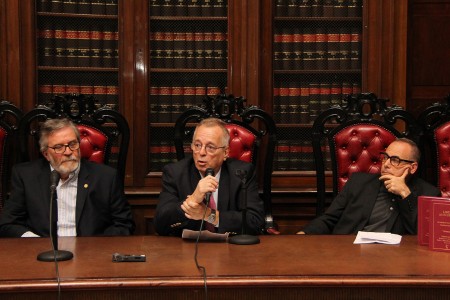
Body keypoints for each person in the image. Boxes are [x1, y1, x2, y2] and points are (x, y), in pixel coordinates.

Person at [0, 118, 135, 237]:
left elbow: (124, 225)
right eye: (59, 147)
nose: (68, 152)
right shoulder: (26, 175)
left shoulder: (106, 177)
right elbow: (8, 223)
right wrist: (35, 242)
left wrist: (94, 247)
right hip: (42, 256)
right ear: (46, 154)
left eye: (72, 144)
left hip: (90, 256)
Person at [298, 138, 441, 235]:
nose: (385, 164)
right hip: (349, 252)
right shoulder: (358, 183)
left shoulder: (429, 194)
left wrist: (405, 194)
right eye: (385, 157)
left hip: (395, 260)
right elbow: (330, 218)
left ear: (412, 167)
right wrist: (304, 233)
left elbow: (422, 235)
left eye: (395, 160)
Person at [154, 117, 264, 236]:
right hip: (187, 250)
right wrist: (193, 200)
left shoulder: (242, 173)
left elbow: (255, 222)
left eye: (210, 147)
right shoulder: (175, 173)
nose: (201, 152)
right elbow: (160, 224)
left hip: (230, 249)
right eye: (197, 145)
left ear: (226, 153)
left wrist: (209, 215)